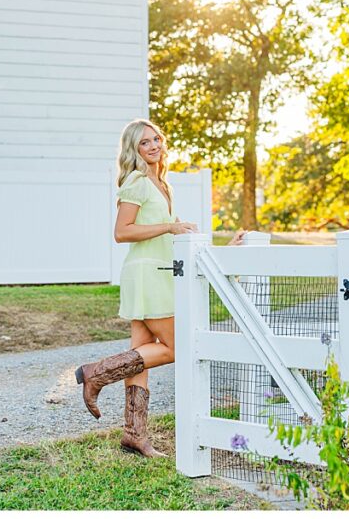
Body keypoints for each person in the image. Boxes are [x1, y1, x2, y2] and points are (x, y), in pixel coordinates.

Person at [74, 119, 245, 457]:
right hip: (147, 273)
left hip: (157, 271)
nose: (153, 146)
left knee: (140, 356)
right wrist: (168, 226)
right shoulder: (137, 182)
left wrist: (222, 249)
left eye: (156, 139)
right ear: (133, 150)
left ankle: (134, 434)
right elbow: (122, 231)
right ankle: (97, 373)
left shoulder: (161, 184)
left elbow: (180, 236)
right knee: (177, 346)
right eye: (144, 142)